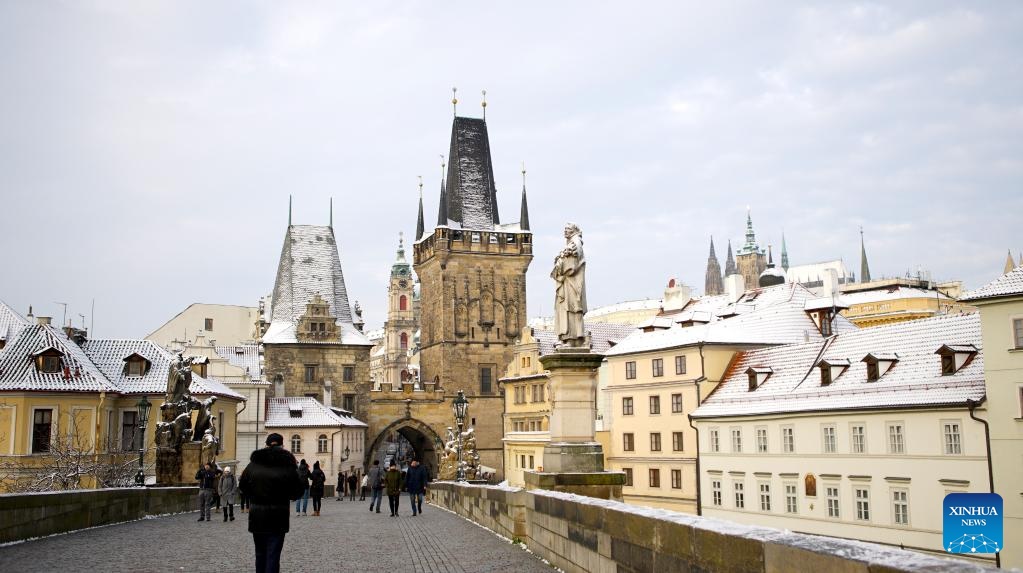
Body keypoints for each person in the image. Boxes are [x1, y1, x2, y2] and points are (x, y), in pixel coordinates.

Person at [239, 433, 306, 573]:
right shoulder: (288, 465)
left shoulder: (253, 464)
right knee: (273, 555)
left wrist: (255, 496)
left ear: (267, 445)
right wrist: (285, 495)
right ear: (282, 445)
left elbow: (243, 486)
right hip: (278, 516)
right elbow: (298, 491)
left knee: (260, 554)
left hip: (257, 516)